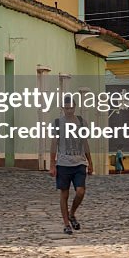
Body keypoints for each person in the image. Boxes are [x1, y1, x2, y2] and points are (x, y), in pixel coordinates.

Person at [49, 97, 93, 235]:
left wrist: (90, 162)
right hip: (63, 163)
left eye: (71, 108)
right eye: (66, 108)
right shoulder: (57, 123)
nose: (69, 110)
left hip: (79, 162)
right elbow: (54, 143)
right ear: (63, 108)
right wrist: (52, 164)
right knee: (64, 193)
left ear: (75, 107)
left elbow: (85, 142)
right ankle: (66, 223)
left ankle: (72, 213)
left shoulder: (81, 122)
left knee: (80, 191)